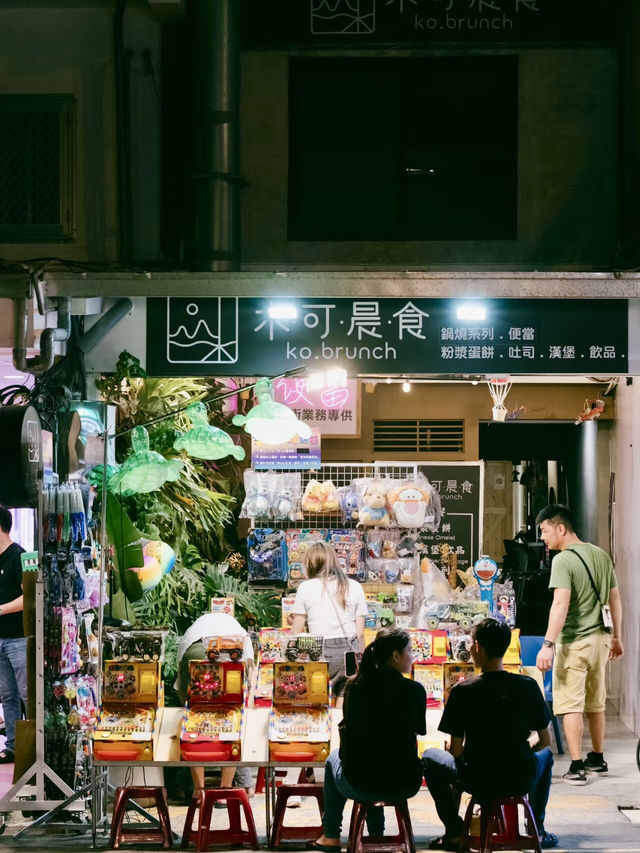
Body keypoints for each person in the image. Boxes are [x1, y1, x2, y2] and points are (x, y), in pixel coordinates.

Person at [422, 618, 557, 851]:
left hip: (477, 778)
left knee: (430, 758)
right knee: (547, 758)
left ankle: (454, 831)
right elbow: (545, 741)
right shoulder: (527, 686)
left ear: (476, 647)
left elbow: (456, 751)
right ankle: (539, 828)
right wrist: (523, 750)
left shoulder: (462, 691)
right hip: (520, 776)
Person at [308, 628, 426, 852]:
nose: (413, 656)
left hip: (360, 782)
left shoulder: (355, 687)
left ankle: (331, 835)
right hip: (405, 781)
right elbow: (420, 730)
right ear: (395, 656)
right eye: (410, 650)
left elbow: (351, 736)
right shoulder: (415, 690)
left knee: (335, 759)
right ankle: (376, 835)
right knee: (380, 759)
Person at [535, 503, 623, 785]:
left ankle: (575, 766)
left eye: (545, 531)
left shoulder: (563, 561)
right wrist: (617, 637)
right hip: (601, 640)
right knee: (596, 702)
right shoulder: (600, 555)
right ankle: (597, 758)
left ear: (561, 528)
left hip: (574, 641)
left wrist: (548, 644)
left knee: (571, 704)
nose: (543, 538)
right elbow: (615, 599)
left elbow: (560, 604)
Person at [177, 611, 255, 795]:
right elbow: (246, 697)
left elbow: (182, 695)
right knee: (232, 713)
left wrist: (193, 706)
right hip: (235, 650)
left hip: (194, 648)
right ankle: (225, 789)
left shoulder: (196, 626)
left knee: (194, 715)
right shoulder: (240, 632)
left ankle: (199, 789)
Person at [290, 541, 367, 701]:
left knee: (318, 699)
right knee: (344, 699)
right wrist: (362, 660)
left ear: (311, 563)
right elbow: (359, 633)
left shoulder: (305, 587)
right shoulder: (354, 586)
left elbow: (296, 632)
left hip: (318, 650)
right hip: (349, 651)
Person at [0, 505, 27, 764]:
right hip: (0, 639)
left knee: (26, 693)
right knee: (7, 695)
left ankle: (35, 748)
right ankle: (13, 747)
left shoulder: (19, 556)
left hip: (18, 638)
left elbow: (28, 596)